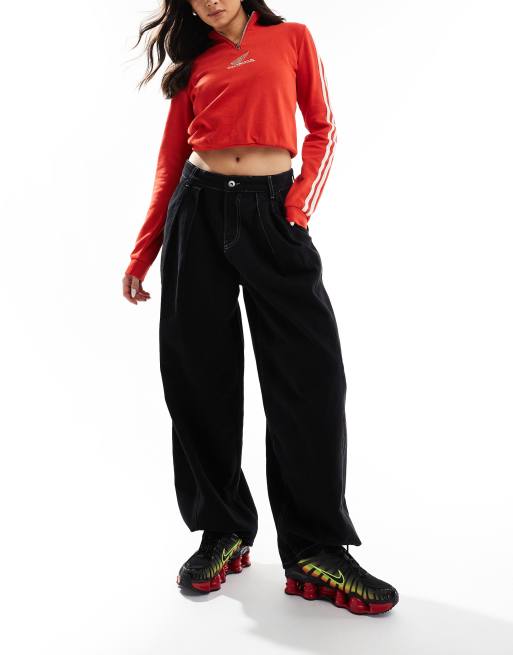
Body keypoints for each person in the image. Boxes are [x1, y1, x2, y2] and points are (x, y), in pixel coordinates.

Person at [122, 0, 399, 615]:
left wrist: (296, 211)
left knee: (311, 377)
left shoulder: (292, 38)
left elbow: (323, 129)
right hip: (197, 211)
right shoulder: (193, 62)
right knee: (198, 378)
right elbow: (170, 161)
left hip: (273, 214)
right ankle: (222, 531)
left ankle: (316, 549)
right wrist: (145, 251)